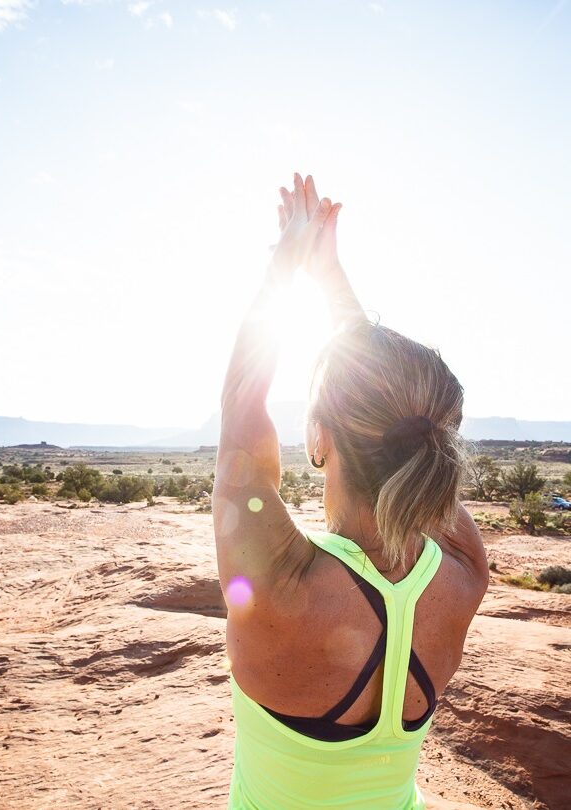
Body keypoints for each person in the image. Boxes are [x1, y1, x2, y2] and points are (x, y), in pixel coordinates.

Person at [212, 173, 489, 810]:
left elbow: (239, 404)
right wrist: (327, 281)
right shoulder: (463, 575)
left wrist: (290, 264)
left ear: (315, 439)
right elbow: (397, 424)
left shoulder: (280, 585)